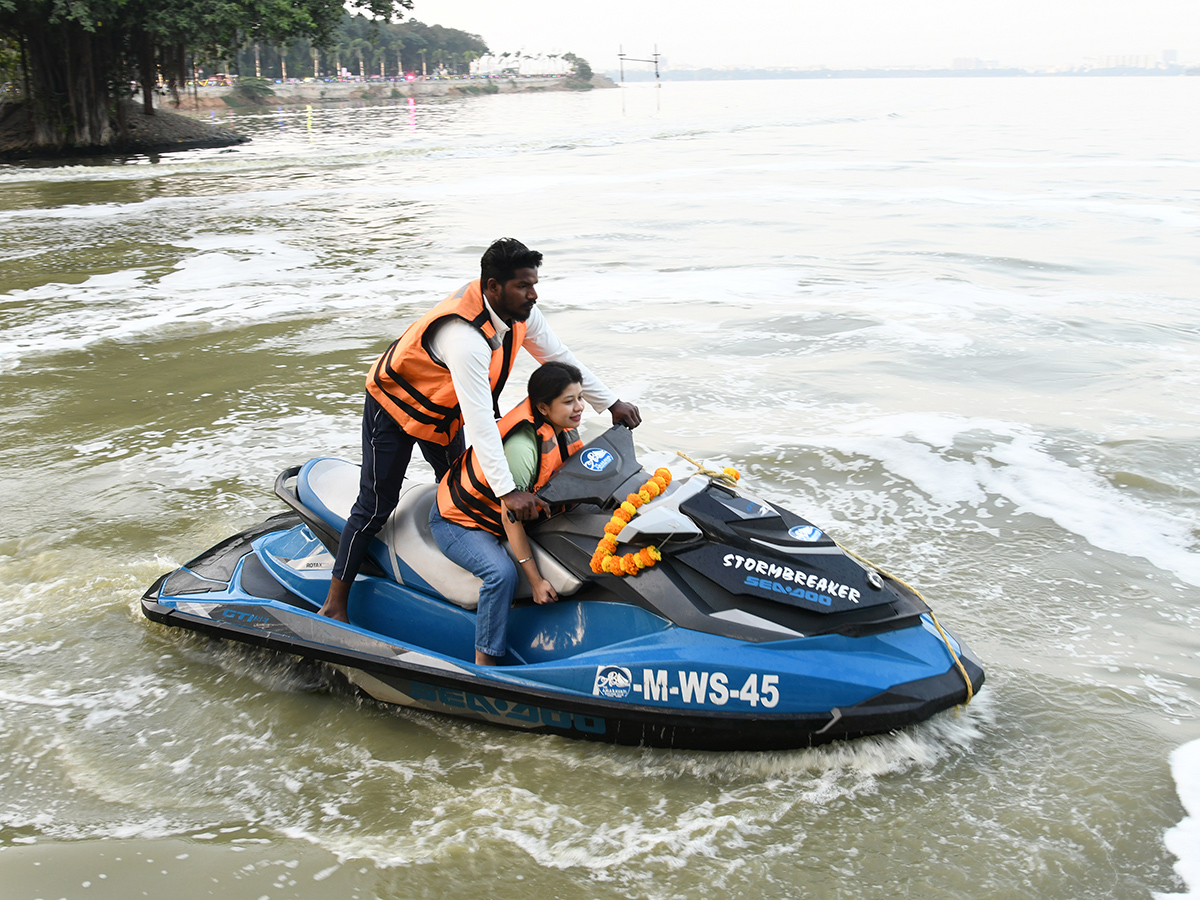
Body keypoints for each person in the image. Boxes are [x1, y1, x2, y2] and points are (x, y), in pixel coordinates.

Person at [319, 238, 640, 622]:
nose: (533, 294)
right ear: (492, 287)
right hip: (395, 408)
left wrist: (611, 403)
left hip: (443, 409)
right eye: (523, 286)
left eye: (534, 283)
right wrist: (508, 492)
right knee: (376, 505)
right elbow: (482, 422)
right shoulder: (466, 339)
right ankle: (336, 600)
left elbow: (559, 358)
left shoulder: (522, 314)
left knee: (462, 496)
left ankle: (458, 583)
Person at [429, 362, 585, 665]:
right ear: (543, 407)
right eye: (569, 401)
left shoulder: (562, 424)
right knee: (500, 575)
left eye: (580, 397)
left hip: (498, 517)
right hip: (461, 522)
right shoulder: (523, 449)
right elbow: (509, 517)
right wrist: (537, 581)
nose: (579, 407)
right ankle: (484, 664)